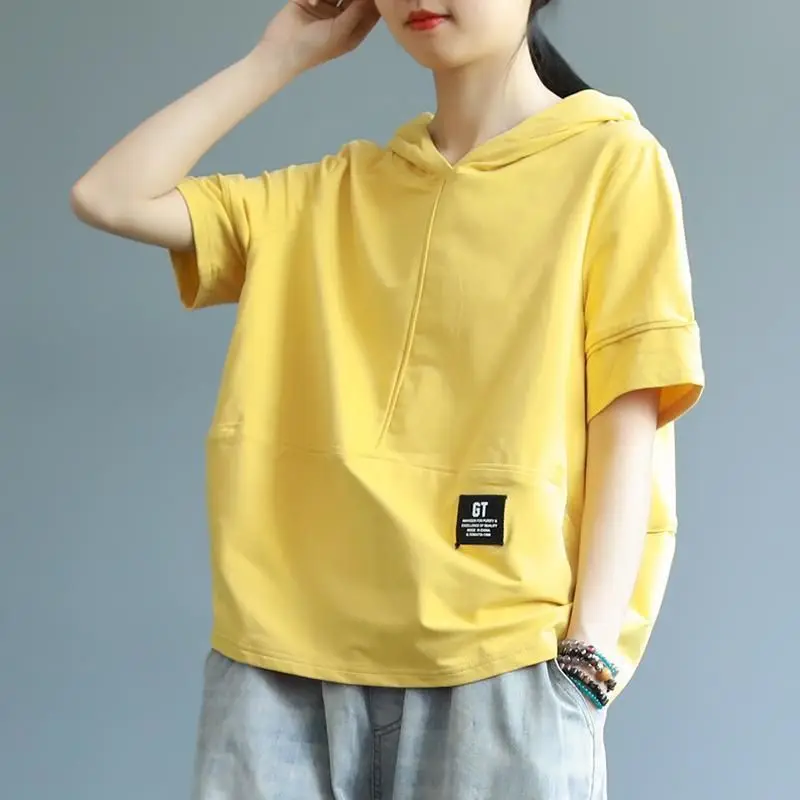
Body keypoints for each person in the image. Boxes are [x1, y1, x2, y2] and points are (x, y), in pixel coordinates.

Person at [70, 1, 705, 797]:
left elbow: (628, 419)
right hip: (279, 669)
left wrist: (589, 659)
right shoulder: (331, 195)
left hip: (501, 662)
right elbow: (110, 195)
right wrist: (278, 57)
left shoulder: (612, 164)